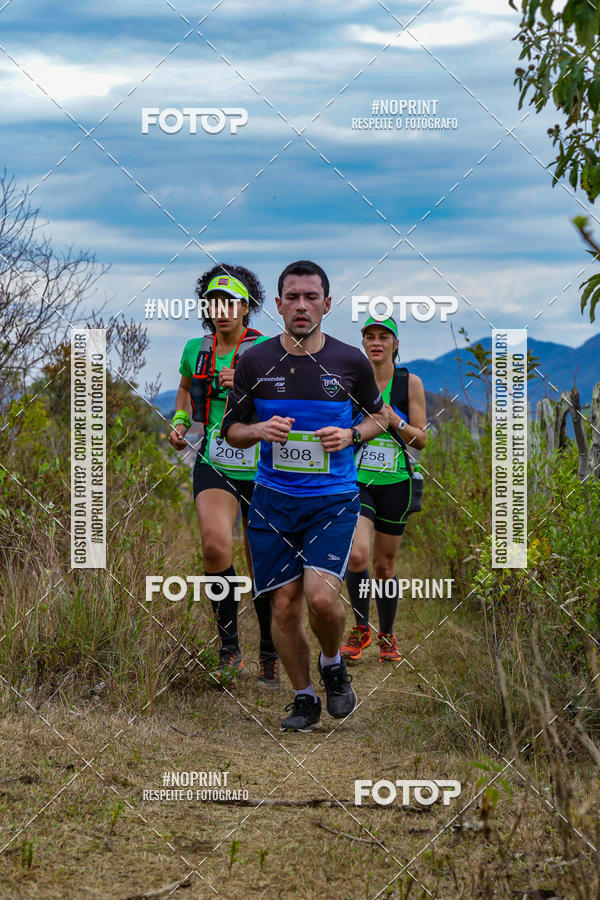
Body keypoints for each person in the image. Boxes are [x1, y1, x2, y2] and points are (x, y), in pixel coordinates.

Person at [221, 260, 388, 731]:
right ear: (277, 305)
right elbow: (230, 431)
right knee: (285, 604)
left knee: (318, 598)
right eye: (291, 297)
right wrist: (257, 429)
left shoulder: (349, 361)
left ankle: (332, 662)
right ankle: (303, 697)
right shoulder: (253, 361)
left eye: (310, 297)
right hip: (273, 501)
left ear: (327, 304)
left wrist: (352, 436)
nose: (301, 305)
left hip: (332, 500)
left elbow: (379, 417)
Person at [168, 263, 279, 687]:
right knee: (215, 548)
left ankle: (270, 648)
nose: (223, 310)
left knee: (262, 561)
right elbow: (185, 391)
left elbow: (286, 398)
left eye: (232, 302)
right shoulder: (196, 349)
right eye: (215, 302)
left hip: (264, 467)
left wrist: (249, 383)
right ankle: (229, 649)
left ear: (246, 307)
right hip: (215, 461)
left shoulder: (268, 348)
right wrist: (181, 422)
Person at [341, 316, 427, 664]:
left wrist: (396, 421)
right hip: (357, 481)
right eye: (369, 336)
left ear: (395, 343)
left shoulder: (410, 383)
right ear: (363, 343)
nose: (376, 342)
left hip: (396, 483)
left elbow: (421, 440)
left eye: (383, 337)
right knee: (358, 555)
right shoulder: (350, 380)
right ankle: (361, 628)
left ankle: (387, 636)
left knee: (384, 566)